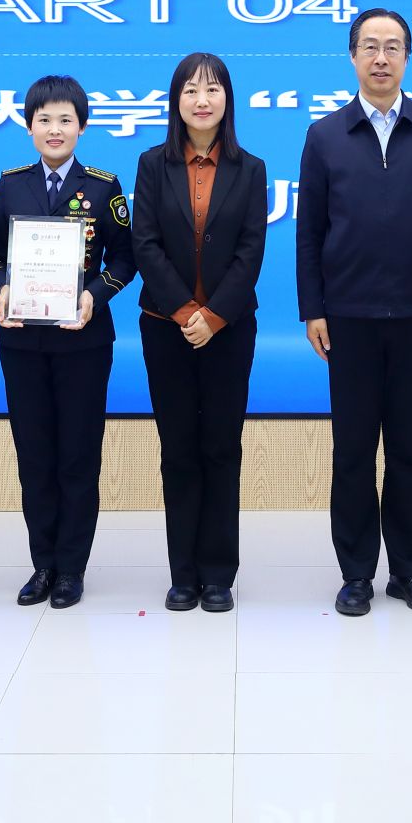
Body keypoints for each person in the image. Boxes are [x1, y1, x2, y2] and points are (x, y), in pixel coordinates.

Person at [296, 8, 412, 617]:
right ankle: (355, 574)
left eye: (393, 47)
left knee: (409, 450)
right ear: (352, 56)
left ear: (407, 58)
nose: (381, 58)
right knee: (352, 450)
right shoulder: (325, 135)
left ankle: (409, 571)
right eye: (369, 46)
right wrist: (313, 308)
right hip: (348, 316)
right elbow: (309, 232)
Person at [0, 75, 135, 610]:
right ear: (28, 127)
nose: (55, 129)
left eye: (66, 119)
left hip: (83, 342)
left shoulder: (103, 187)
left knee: (78, 456)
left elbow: (125, 258)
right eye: (44, 119)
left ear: (82, 126)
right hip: (21, 342)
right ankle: (41, 563)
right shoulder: (11, 184)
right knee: (35, 455)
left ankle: (71, 568)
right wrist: (0, 289)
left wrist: (94, 296)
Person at [131, 52, 268, 613]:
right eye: (191, 90)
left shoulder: (251, 169)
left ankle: (218, 574)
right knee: (179, 449)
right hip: (165, 328)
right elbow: (144, 244)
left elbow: (250, 251)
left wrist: (213, 316)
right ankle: (182, 574)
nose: (202, 100)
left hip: (229, 330)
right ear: (176, 101)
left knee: (221, 447)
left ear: (227, 100)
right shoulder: (151, 164)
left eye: (212, 89)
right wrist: (187, 310)